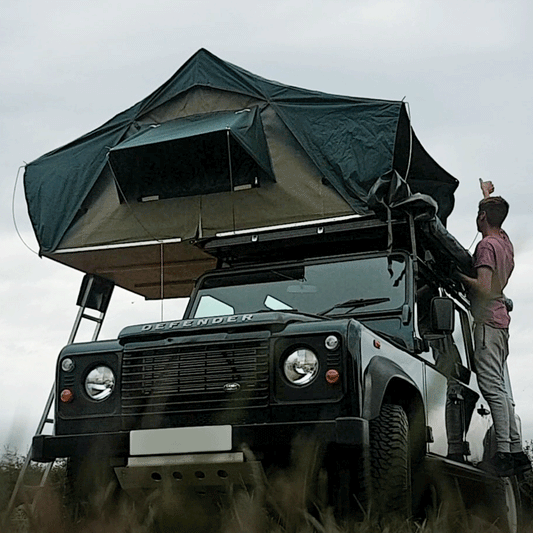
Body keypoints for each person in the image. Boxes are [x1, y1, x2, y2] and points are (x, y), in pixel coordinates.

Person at [458, 180, 530, 477]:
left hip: (487, 321)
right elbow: (496, 222)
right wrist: (487, 197)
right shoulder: (505, 243)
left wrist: (460, 276)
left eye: (479, 213)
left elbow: (484, 289)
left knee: (491, 388)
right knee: (501, 388)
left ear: (482, 218)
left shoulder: (487, 246)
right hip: (502, 323)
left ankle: (504, 452)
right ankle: (516, 450)